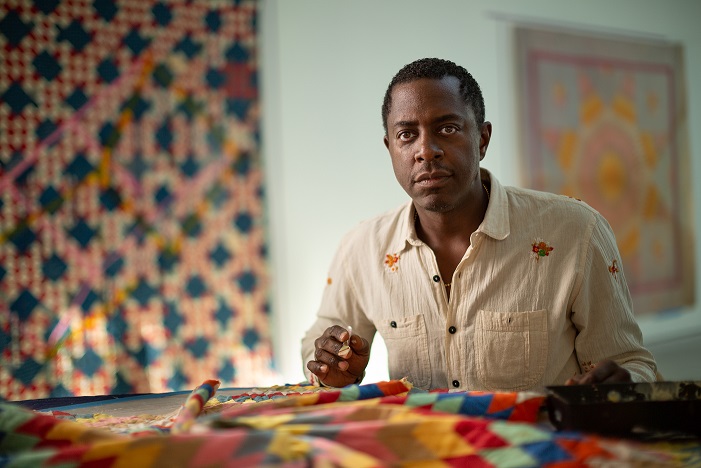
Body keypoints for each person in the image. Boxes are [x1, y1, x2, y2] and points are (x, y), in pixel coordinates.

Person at [302, 57, 657, 391]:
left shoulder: (576, 232)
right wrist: (330, 366)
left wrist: (621, 384)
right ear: (390, 147)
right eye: (407, 135)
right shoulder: (363, 248)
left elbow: (632, 363)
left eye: (448, 128)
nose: (426, 150)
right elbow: (319, 344)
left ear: (482, 139)